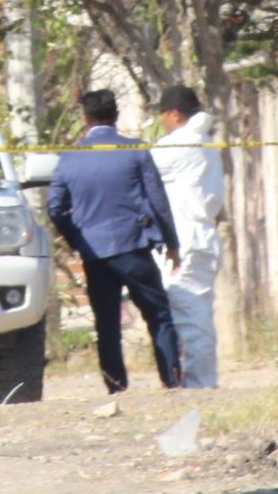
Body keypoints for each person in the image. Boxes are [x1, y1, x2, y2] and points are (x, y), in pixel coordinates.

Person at [45, 88, 183, 394]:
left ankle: (116, 389)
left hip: (94, 254)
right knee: (158, 315)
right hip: (133, 247)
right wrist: (172, 244)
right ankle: (172, 382)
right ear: (116, 116)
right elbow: (158, 201)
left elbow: (54, 208)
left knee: (106, 326)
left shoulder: (69, 157)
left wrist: (78, 239)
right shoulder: (135, 150)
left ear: (85, 119)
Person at [149, 83, 226, 389]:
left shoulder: (181, 145)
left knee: (190, 316)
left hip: (186, 238)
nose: (161, 122)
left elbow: (142, 167)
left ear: (174, 114)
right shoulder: (205, 142)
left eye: (162, 116)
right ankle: (199, 381)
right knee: (196, 314)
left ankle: (200, 385)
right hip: (202, 233)